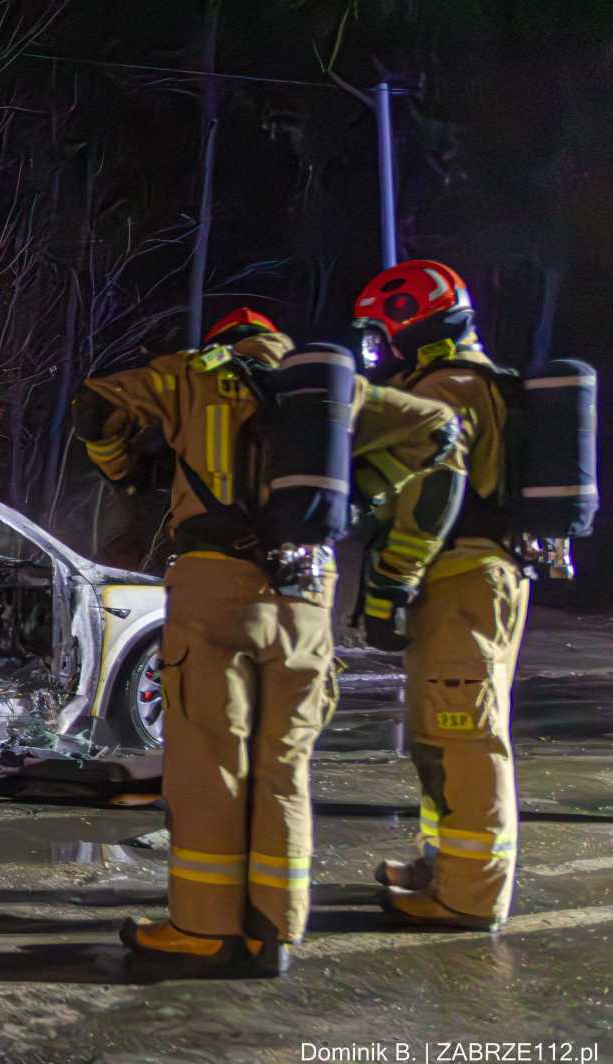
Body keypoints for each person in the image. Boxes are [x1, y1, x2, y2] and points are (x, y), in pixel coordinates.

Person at [71, 306, 463, 977]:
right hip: (307, 594)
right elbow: (438, 431)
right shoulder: (339, 388)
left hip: (216, 587)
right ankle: (275, 931)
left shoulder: (197, 374)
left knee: (210, 767)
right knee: (285, 766)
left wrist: (122, 466)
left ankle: (203, 929)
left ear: (225, 340)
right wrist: (364, 497)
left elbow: (95, 403)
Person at [353, 260, 528, 931]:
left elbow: (435, 490)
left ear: (413, 317)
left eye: (384, 330)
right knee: (440, 734)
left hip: (462, 580)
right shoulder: (458, 382)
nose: (382, 345)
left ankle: (470, 895)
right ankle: (443, 866)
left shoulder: (451, 387)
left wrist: (389, 583)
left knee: (466, 738)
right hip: (456, 581)